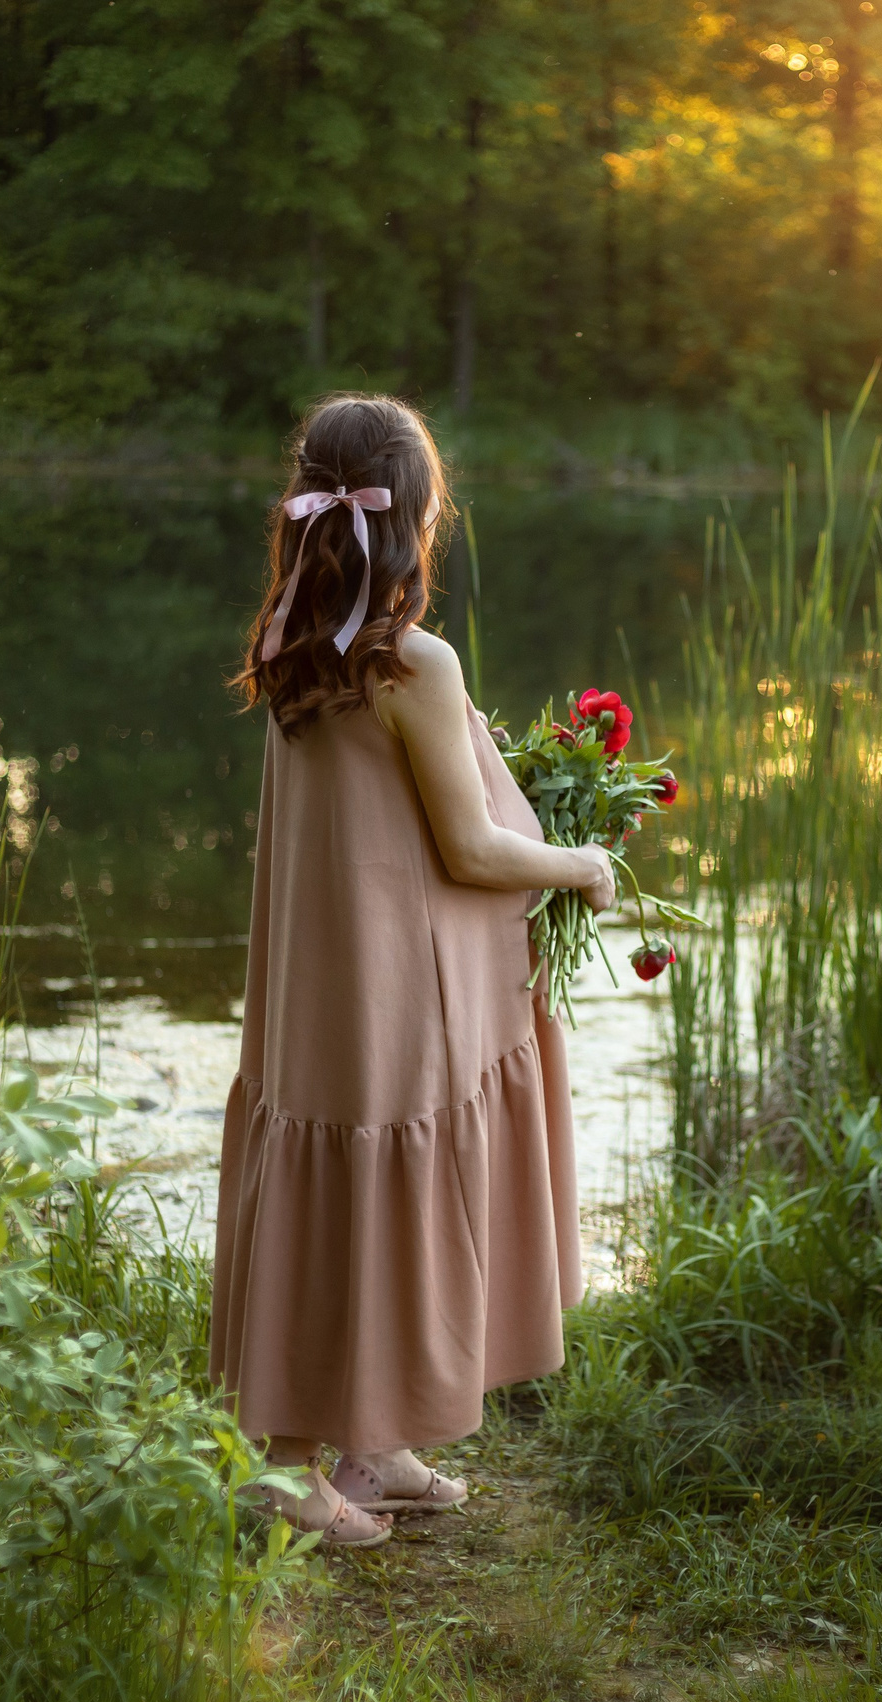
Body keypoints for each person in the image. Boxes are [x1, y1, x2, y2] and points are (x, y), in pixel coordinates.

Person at [212, 392, 614, 1547]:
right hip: (389, 984)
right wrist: (581, 861)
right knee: (374, 1171)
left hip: (316, 979)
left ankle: (371, 1446)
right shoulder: (410, 660)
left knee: (337, 1164)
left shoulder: (290, 642)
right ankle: (284, 1468)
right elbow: (471, 846)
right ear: (420, 516)